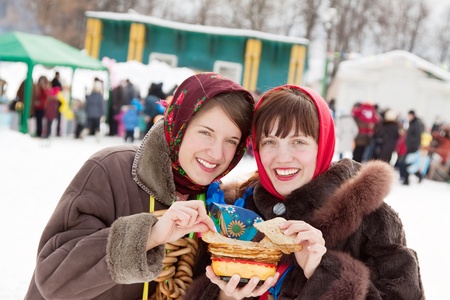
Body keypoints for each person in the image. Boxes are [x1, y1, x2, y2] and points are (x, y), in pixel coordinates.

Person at [24, 72, 255, 300]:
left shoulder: (218, 205)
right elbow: (54, 282)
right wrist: (151, 235)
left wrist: (228, 293)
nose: (217, 153)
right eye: (206, 132)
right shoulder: (110, 170)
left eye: (231, 141)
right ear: (180, 126)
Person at [184, 85, 424, 299]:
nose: (283, 157)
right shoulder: (235, 212)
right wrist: (224, 296)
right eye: (270, 142)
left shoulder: (370, 219)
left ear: (323, 145)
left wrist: (323, 272)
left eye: (299, 142)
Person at [400, 110, 425, 185]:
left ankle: (408, 180)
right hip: (410, 147)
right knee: (408, 164)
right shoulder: (412, 123)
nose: (408, 117)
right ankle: (415, 177)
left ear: (413, 115)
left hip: (413, 148)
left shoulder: (417, 124)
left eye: (409, 116)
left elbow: (417, 137)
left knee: (406, 164)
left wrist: (413, 146)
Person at [51, 71, 63, 136]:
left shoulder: (53, 82)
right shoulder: (56, 82)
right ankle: (57, 131)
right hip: (56, 102)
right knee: (56, 117)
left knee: (56, 118)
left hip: (57, 102)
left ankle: (56, 131)